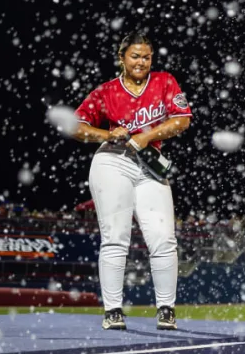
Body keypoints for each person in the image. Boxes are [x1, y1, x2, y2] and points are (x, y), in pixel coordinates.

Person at [72, 31, 192, 331]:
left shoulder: (164, 81)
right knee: (115, 238)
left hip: (149, 163)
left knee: (164, 239)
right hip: (113, 162)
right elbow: (76, 126)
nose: (141, 62)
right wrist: (105, 134)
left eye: (146, 56)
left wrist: (146, 136)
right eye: (135, 56)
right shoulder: (107, 91)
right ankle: (113, 310)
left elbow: (182, 119)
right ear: (122, 57)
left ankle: (166, 309)